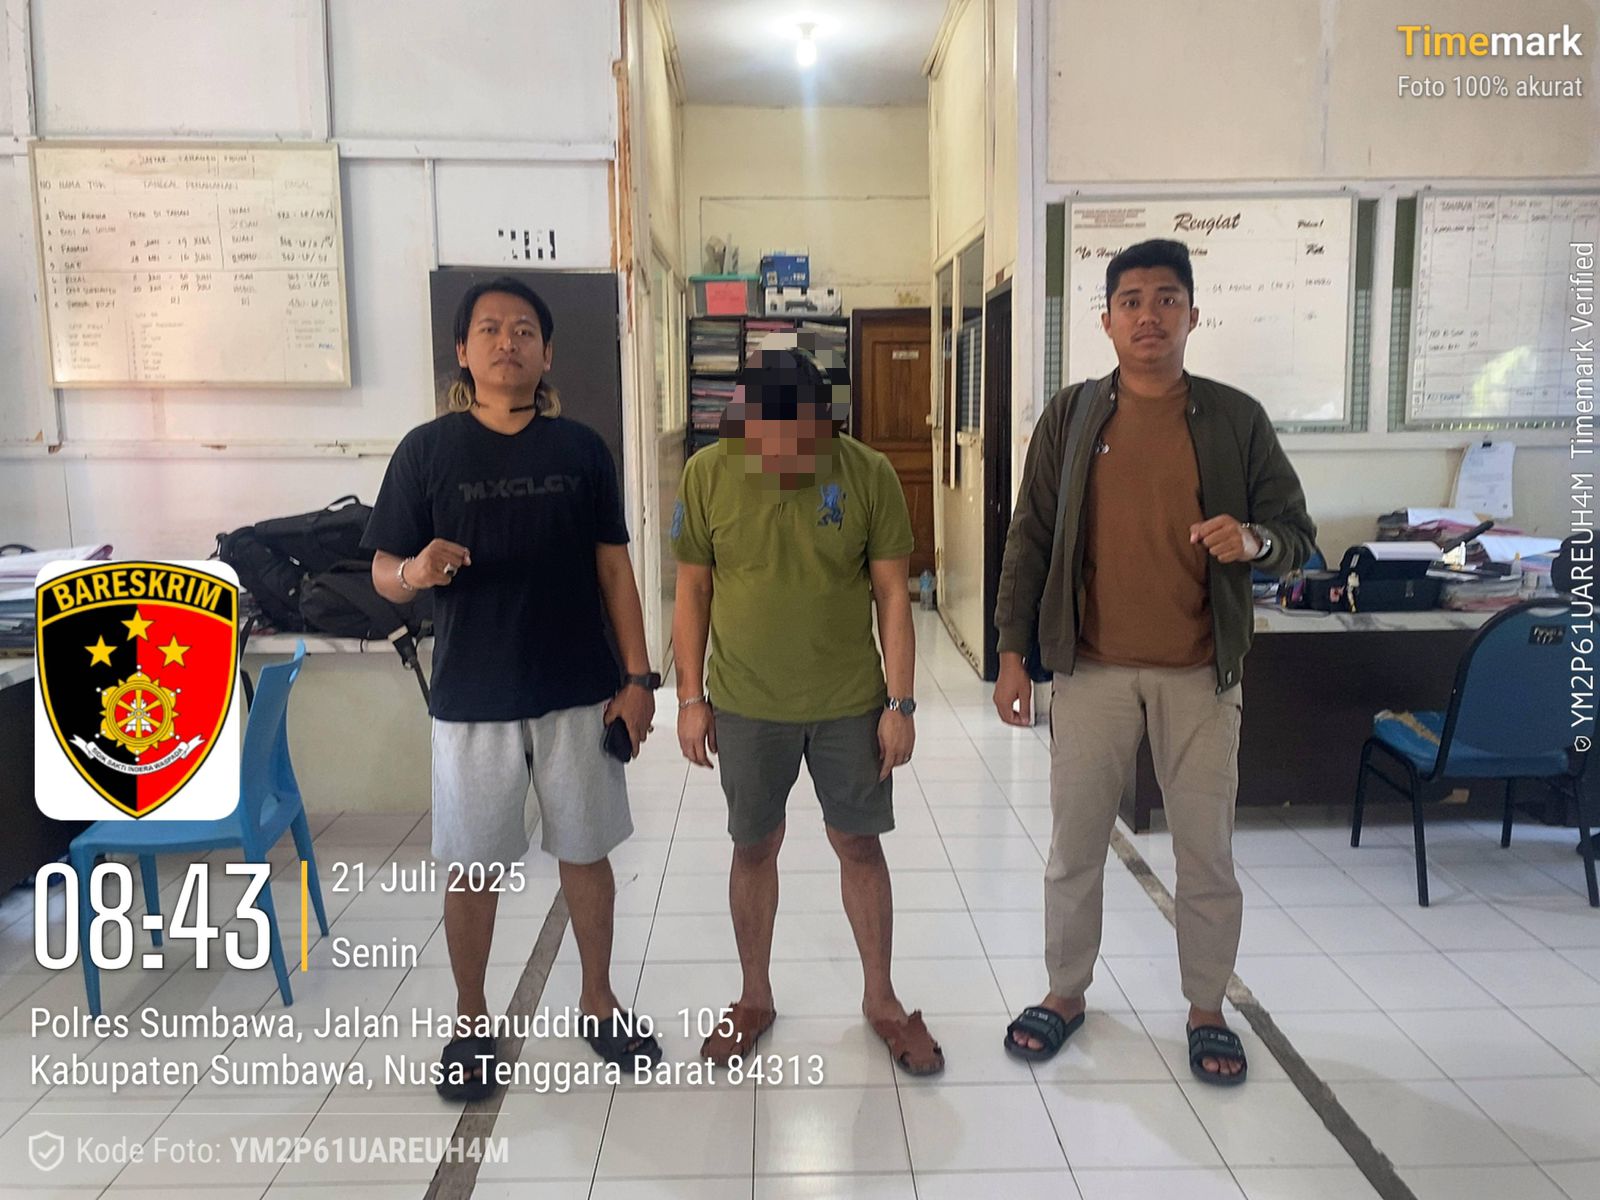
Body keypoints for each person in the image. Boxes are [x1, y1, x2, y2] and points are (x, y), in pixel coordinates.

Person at [992, 239, 1316, 1085]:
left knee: (1205, 854)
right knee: (1074, 847)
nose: (1149, 315)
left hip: (1200, 675)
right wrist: (1013, 654)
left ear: (1192, 315)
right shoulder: (1070, 418)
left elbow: (1297, 536)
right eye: (1131, 301)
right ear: (1106, 321)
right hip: (1091, 671)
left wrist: (1254, 541)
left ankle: (1207, 1008)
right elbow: (1029, 539)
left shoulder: (1236, 419)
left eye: (1167, 299)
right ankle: (1065, 992)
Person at [365, 276, 662, 1101]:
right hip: (472, 699)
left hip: (577, 689)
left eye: (524, 330)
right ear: (463, 351)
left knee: (587, 854)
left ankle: (599, 1002)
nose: (508, 342)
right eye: (490, 329)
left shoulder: (582, 451)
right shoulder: (427, 451)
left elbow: (615, 571)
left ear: (547, 353)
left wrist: (639, 680)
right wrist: (415, 571)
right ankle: (471, 1022)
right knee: (472, 868)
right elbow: (383, 569)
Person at [671, 345, 944, 1076]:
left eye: (800, 437)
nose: (782, 454)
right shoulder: (706, 474)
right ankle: (754, 997)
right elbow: (692, 591)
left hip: (847, 703)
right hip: (745, 702)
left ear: (825, 423)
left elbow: (892, 594)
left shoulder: (868, 473)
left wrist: (901, 704)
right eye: (765, 436)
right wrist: (690, 699)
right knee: (754, 846)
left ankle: (881, 999)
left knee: (859, 844)